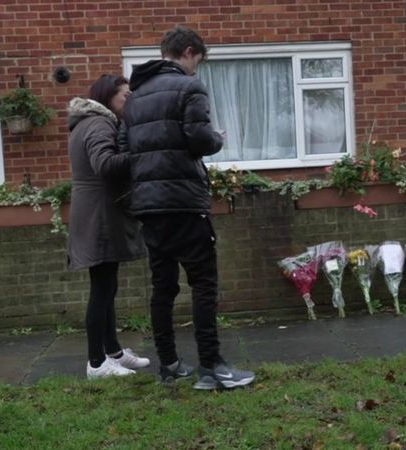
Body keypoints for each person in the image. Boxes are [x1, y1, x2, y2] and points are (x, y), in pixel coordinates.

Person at [123, 26, 254, 390]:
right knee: (203, 285)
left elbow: (125, 148)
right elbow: (198, 139)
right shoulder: (189, 87)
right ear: (189, 52)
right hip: (184, 202)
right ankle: (212, 367)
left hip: (149, 207)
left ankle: (168, 364)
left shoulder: (134, 96)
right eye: (197, 61)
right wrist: (217, 139)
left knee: (163, 288)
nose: (196, 68)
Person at [67, 75, 151, 380]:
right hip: (98, 215)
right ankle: (96, 363)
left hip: (97, 212)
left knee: (107, 285)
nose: (129, 100)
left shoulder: (89, 123)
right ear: (108, 98)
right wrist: (143, 154)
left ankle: (113, 352)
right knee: (102, 289)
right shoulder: (99, 124)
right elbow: (105, 165)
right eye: (125, 96)